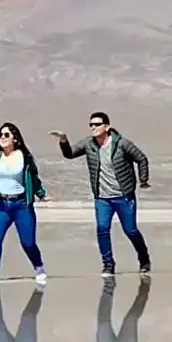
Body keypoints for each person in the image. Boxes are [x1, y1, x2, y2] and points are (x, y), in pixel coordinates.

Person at [51, 112, 151, 276]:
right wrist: (63, 140)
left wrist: (143, 180)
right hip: (102, 198)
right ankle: (108, 264)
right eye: (91, 124)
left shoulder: (122, 144)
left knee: (131, 230)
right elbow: (69, 154)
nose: (93, 127)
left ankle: (144, 258)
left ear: (107, 126)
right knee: (102, 229)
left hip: (124, 196)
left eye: (97, 124)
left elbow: (141, 159)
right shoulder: (88, 144)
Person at [0, 122, 48, 284]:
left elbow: (33, 178)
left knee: (28, 242)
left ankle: (38, 267)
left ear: (15, 139)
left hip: (21, 205)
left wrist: (41, 194)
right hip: (2, 204)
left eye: (6, 135)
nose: (2, 138)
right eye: (0, 135)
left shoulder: (24, 157)